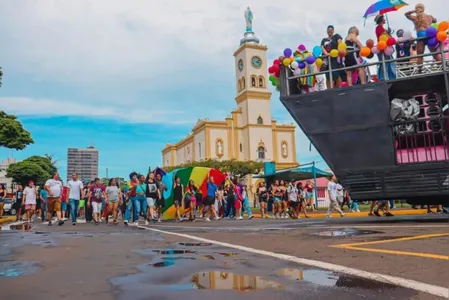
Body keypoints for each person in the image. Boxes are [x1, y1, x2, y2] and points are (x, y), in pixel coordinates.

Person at [374, 15, 396, 81]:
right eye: (383, 18)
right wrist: (388, 33)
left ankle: (390, 77)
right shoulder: (379, 28)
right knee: (385, 63)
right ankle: (383, 78)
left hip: (386, 48)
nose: (385, 19)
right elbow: (387, 37)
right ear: (381, 20)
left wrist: (389, 32)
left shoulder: (382, 28)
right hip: (383, 48)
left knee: (389, 63)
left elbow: (389, 37)